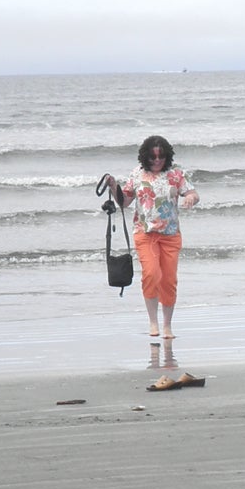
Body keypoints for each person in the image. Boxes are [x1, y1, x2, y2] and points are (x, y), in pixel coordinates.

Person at [106, 135, 199, 339]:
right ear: (145, 157)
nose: (157, 161)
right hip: (144, 233)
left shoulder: (175, 174)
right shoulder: (137, 174)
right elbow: (124, 202)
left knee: (168, 280)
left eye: (161, 157)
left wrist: (190, 198)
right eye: (153, 157)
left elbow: (192, 192)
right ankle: (153, 322)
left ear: (167, 156)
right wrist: (113, 187)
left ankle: (167, 326)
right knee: (151, 274)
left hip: (170, 234)